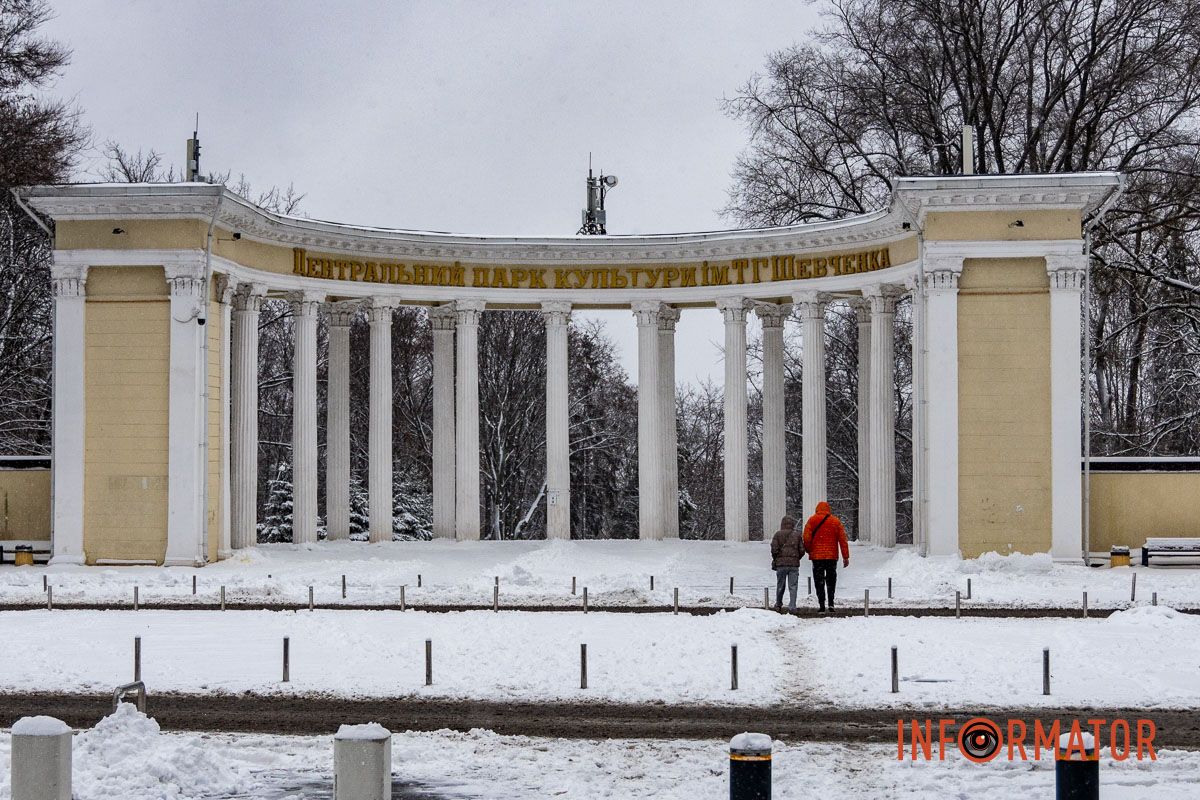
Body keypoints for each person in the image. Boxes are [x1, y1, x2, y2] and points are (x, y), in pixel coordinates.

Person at [803, 501, 849, 613]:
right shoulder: (835, 521)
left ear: (817, 509)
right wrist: (845, 556)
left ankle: (822, 605)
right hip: (831, 556)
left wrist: (809, 550)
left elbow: (806, 537)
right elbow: (843, 540)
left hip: (817, 557)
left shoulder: (812, 520)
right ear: (828, 510)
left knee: (819, 581)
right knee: (831, 580)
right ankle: (831, 603)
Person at [769, 515, 804, 612]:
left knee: (780, 585)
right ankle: (792, 606)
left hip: (781, 565)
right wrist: (796, 558)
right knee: (793, 586)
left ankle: (778, 604)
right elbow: (802, 550)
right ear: (792, 524)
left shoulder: (777, 534)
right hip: (793, 565)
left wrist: (777, 558)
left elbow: (774, 549)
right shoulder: (797, 535)